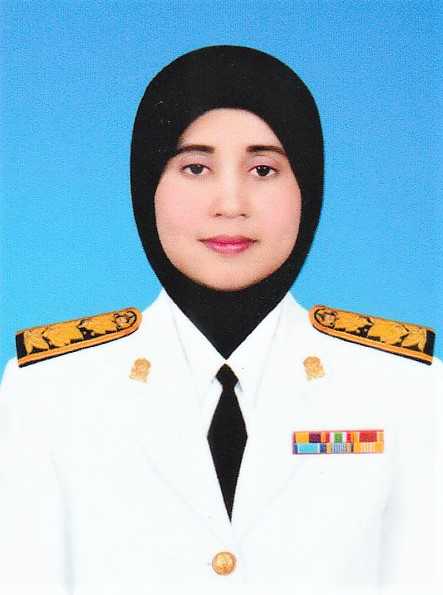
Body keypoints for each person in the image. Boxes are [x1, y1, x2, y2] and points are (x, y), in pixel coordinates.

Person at [0, 45, 441, 595]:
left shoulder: (403, 387)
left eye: (263, 169)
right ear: (146, 185)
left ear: (308, 186)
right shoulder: (49, 389)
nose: (230, 203)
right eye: (195, 168)